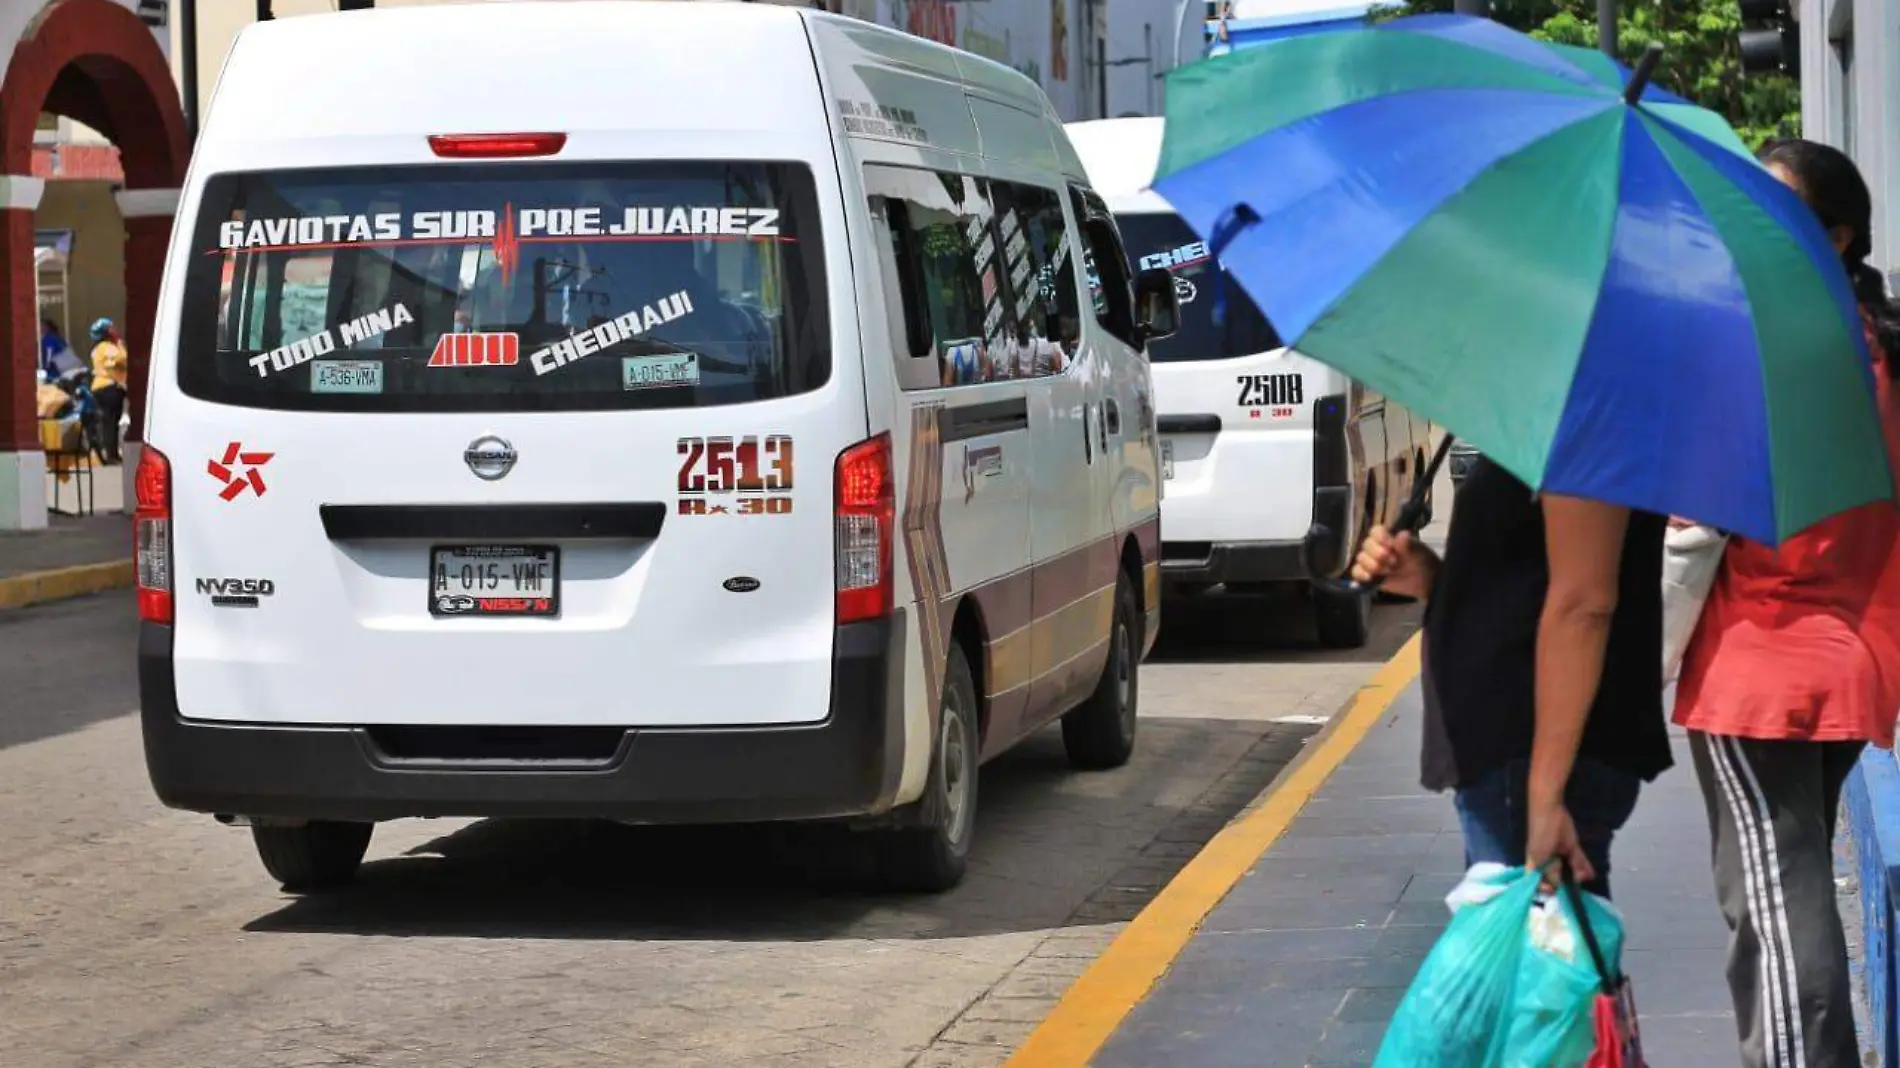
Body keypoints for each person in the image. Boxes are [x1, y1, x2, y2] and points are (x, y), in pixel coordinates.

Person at [1673, 138, 1900, 1068]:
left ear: (1837, 236)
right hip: (1849, 666)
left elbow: (1693, 535)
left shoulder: (1764, 349)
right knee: (1765, 892)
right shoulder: (1875, 348)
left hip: (1754, 672)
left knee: (1777, 906)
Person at [1351, 465, 1672, 898]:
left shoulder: (1577, 422)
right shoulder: (1543, 433)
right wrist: (1434, 578)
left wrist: (1545, 796)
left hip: (1532, 752)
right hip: (1513, 754)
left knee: (1542, 953)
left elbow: (1583, 604)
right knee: (1552, 952)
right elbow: (1526, 580)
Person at [87, 317, 127, 465]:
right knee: (111, 422)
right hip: (109, 387)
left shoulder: (98, 348)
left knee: (109, 422)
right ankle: (112, 456)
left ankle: (112, 454)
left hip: (100, 387)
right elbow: (122, 358)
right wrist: (120, 343)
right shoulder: (107, 346)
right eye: (111, 328)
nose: (115, 330)